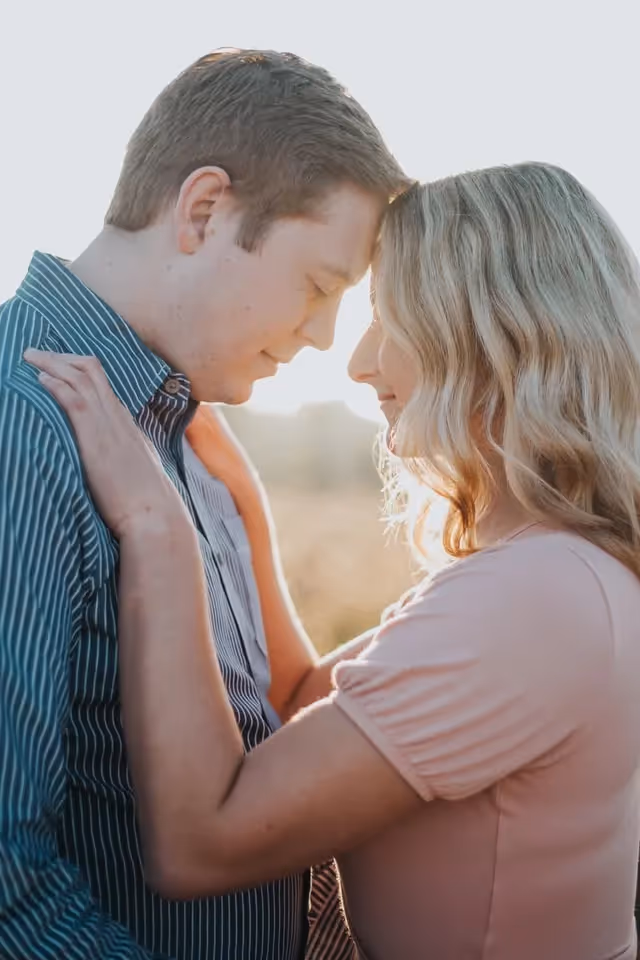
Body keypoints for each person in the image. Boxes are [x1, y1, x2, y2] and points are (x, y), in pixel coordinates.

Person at [28, 162, 640, 960]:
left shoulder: (535, 598)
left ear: (494, 333)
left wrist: (158, 529)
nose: (359, 361)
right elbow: (304, 701)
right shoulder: (564, 569)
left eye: (390, 317)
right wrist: (240, 504)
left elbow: (202, 843)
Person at [0, 48, 408, 960]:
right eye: (318, 286)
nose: (323, 338)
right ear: (204, 211)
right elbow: (5, 894)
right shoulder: (21, 429)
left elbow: (274, 719)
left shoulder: (187, 442)